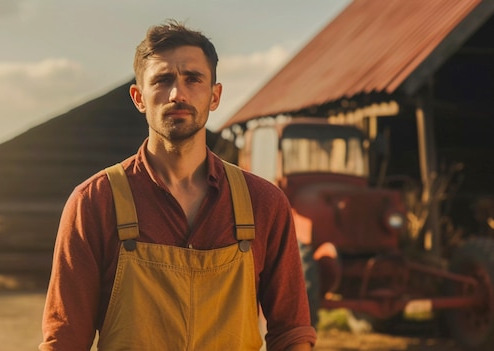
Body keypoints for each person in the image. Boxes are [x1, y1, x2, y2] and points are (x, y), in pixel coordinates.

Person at [39, 19, 316, 351]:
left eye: (193, 79)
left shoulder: (264, 203)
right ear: (139, 97)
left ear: (214, 96)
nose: (177, 94)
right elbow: (65, 340)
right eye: (163, 80)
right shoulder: (94, 202)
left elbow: (292, 333)